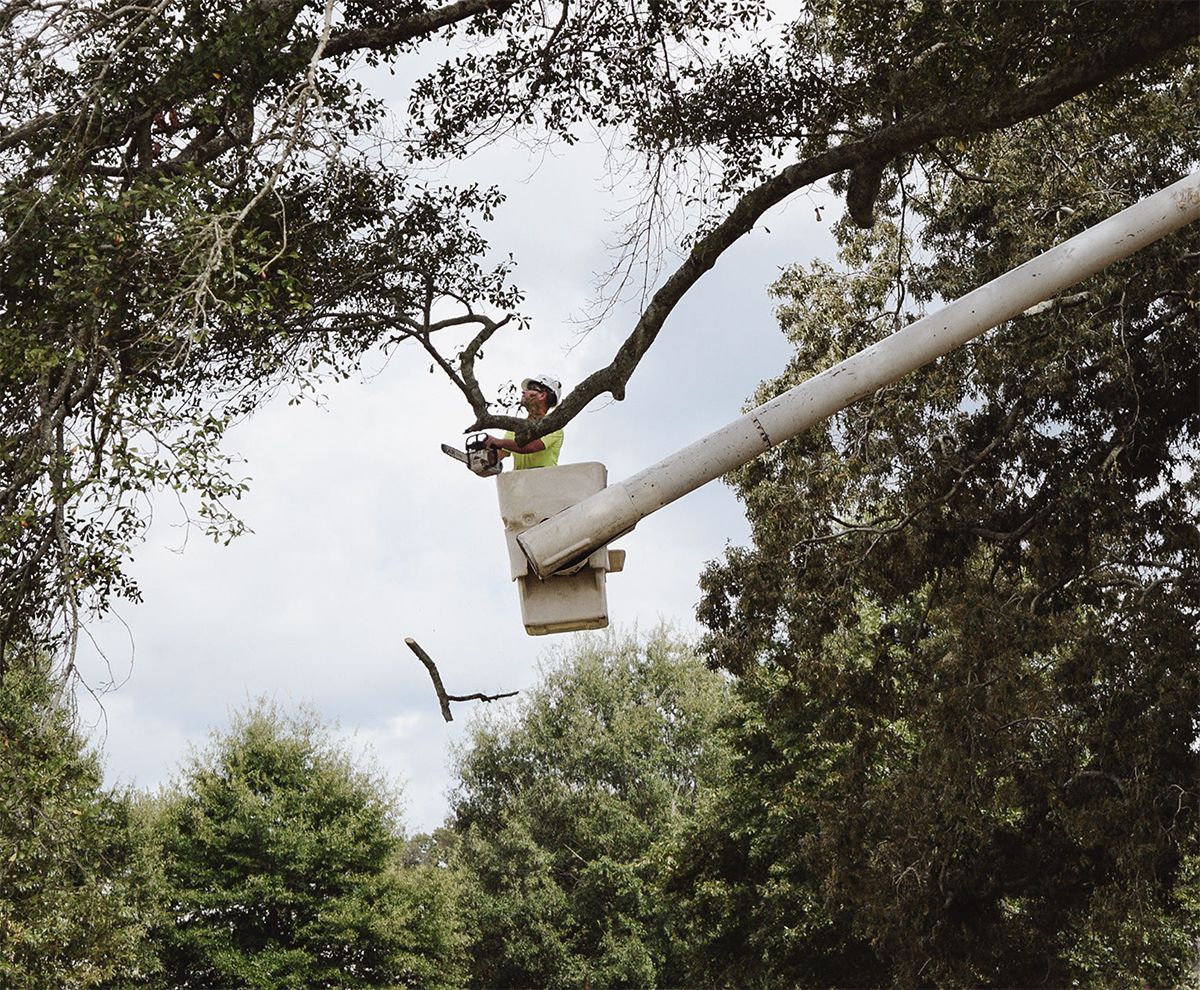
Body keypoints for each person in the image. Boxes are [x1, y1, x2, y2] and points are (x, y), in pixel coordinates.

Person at [482, 375, 564, 469]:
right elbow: (500, 454)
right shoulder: (516, 427)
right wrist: (484, 459)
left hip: (544, 481)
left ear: (542, 395)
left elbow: (531, 447)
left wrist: (498, 442)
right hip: (520, 482)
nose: (523, 391)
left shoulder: (553, 427)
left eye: (529, 389)